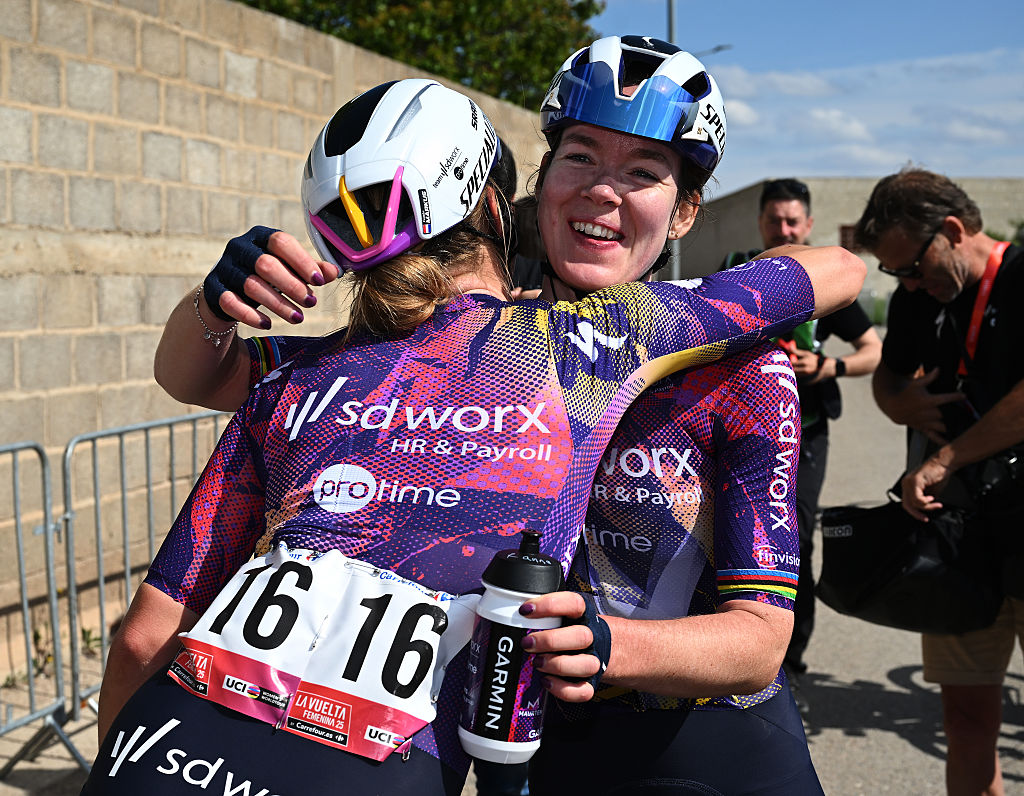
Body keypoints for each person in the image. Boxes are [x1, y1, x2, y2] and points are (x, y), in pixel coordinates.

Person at [150, 38, 866, 795]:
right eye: (581, 158)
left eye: (644, 174)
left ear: (687, 210)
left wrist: (601, 638)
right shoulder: (467, 345)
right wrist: (212, 301)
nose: (602, 191)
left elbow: (758, 643)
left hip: (707, 746)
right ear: (540, 182)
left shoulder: (740, 366)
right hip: (534, 746)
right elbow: (204, 376)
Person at [854, 167, 1024, 796]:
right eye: (897, 275)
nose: (909, 284)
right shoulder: (917, 300)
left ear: (953, 231)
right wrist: (900, 405)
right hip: (958, 544)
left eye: (914, 268)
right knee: (966, 719)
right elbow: (887, 378)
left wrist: (945, 458)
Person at [720, 178, 882, 685]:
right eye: (775, 220)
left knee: (795, 542)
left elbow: (872, 351)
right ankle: (736, 644)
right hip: (739, 432)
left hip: (805, 433)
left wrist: (827, 367)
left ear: (808, 226)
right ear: (762, 223)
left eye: (792, 221)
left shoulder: (825, 284)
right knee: (734, 537)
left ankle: (789, 659)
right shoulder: (735, 270)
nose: (783, 229)